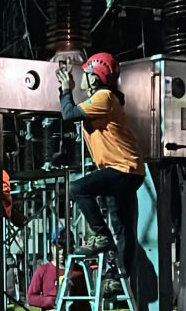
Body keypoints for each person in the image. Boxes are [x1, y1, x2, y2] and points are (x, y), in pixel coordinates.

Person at [56, 52, 145, 295]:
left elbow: (69, 114)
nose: (81, 79)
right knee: (124, 226)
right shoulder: (105, 99)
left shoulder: (104, 97)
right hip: (128, 170)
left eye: (85, 74)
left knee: (78, 188)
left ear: (95, 79)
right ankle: (119, 277)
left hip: (122, 169)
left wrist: (65, 90)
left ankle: (100, 235)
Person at [26, 227, 88, 310]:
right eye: (59, 248)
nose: (62, 252)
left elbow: (87, 299)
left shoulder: (80, 270)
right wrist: (52, 301)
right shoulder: (42, 271)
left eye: (66, 248)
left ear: (72, 248)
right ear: (52, 247)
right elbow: (30, 298)